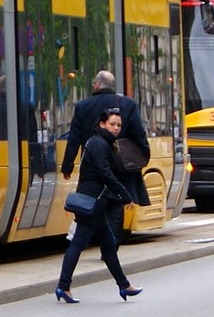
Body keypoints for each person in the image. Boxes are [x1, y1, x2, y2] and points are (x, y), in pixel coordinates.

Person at [54, 106, 144, 303]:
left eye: (119, 125)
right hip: (92, 201)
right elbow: (105, 173)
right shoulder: (99, 144)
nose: (116, 128)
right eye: (112, 124)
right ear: (102, 124)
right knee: (79, 243)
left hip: (96, 202)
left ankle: (124, 285)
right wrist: (125, 194)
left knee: (108, 245)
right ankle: (63, 286)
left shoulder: (102, 142)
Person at [63, 70, 150, 217]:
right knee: (115, 209)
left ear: (96, 85)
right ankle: (109, 235)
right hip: (121, 167)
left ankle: (100, 236)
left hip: (93, 169)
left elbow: (74, 139)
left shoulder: (83, 106)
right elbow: (139, 134)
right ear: (112, 86)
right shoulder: (128, 104)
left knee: (92, 208)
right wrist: (145, 155)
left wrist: (67, 166)